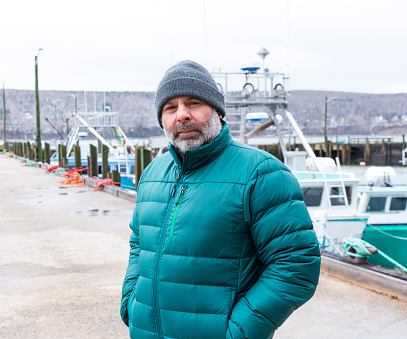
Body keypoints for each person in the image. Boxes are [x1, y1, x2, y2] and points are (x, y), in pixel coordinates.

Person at [120, 60, 321, 339]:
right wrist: (131, 300)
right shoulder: (154, 172)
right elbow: (139, 243)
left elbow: (297, 265)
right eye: (170, 108)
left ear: (217, 110)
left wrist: (239, 332)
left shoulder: (261, 173)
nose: (182, 115)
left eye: (193, 103)